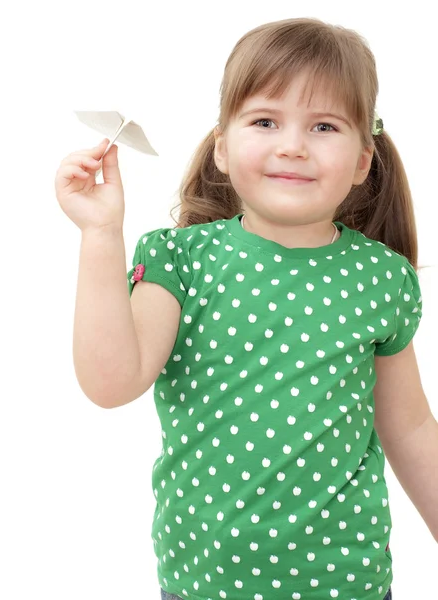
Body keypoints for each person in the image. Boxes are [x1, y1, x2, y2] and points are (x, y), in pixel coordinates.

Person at [54, 16, 438, 600]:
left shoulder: (379, 277)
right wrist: (101, 234)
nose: (292, 144)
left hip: (348, 584)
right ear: (223, 149)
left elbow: (410, 430)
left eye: (324, 126)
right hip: (202, 582)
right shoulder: (181, 261)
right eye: (265, 120)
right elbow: (112, 381)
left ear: (363, 161)